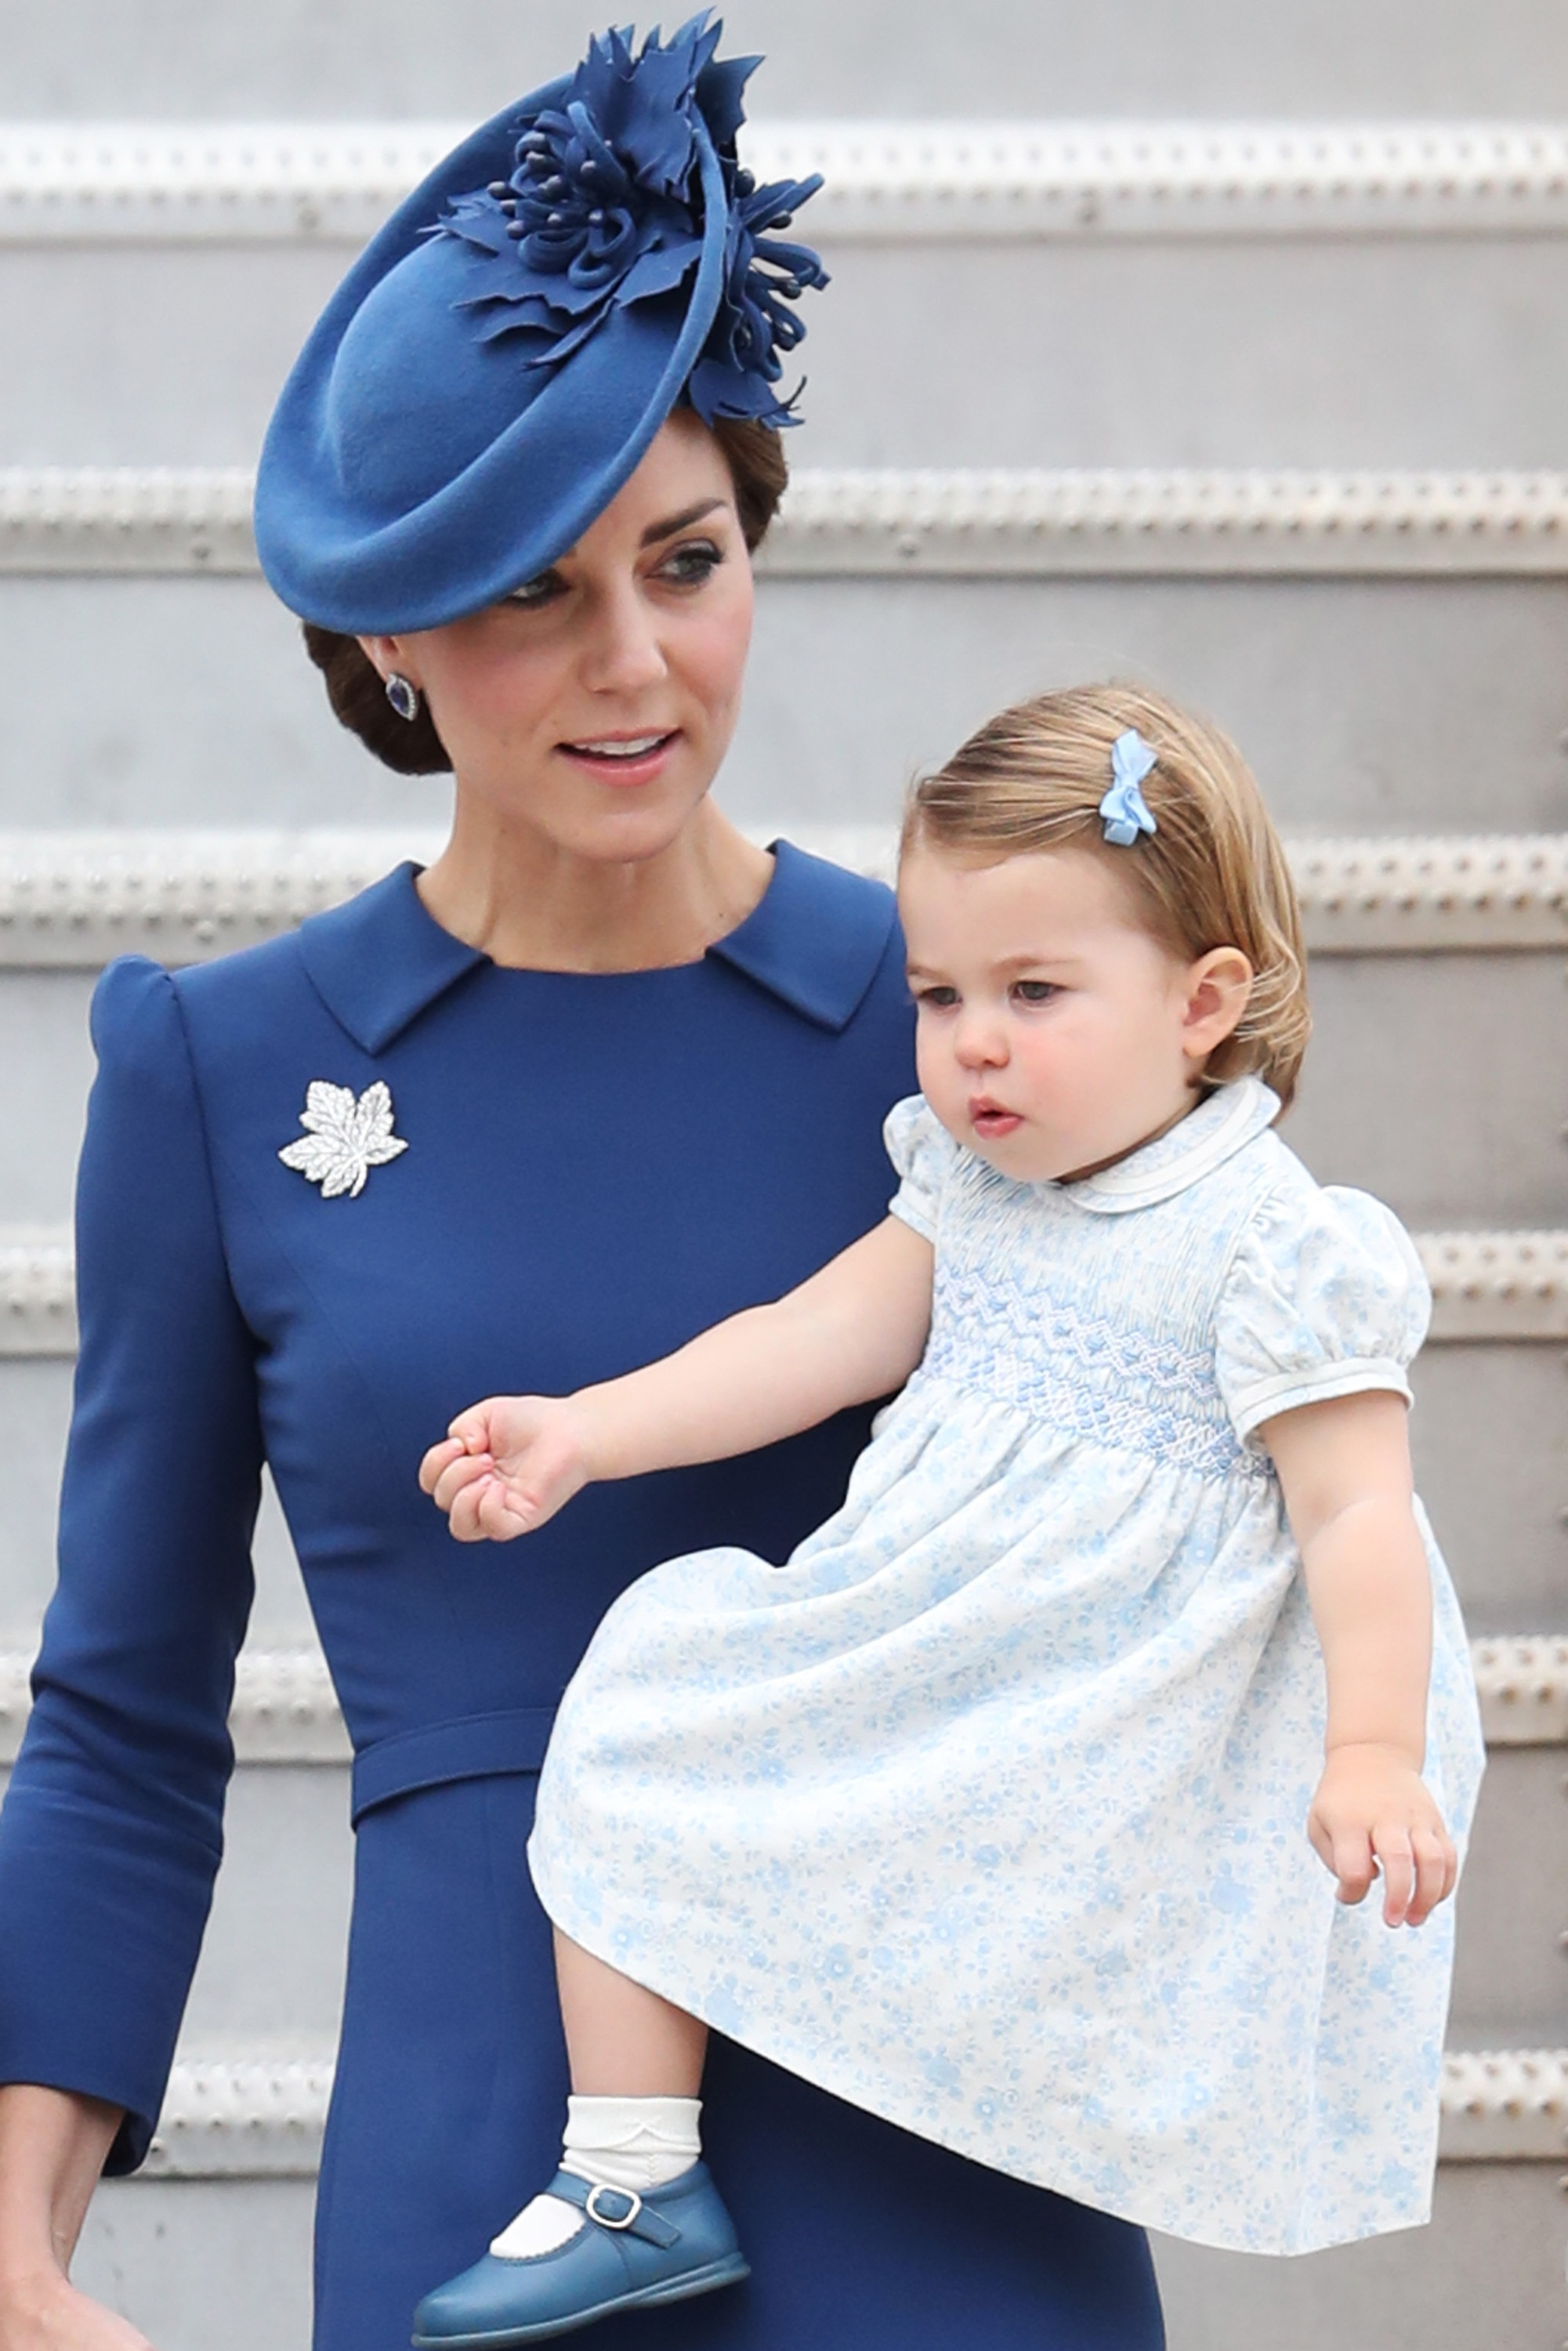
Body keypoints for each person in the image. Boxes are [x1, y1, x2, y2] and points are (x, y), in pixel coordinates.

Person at [0, 20, 1166, 2351]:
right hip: (487, 2170)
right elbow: (124, 1722)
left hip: (952, 2138)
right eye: (536, 593)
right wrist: (15, 2248)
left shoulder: (969, 1032)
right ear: (389, 643)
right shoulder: (220, 1078)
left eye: (687, 560)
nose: (635, 665)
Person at [416, 682, 1487, 2343]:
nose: (971, 1039)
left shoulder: (1269, 1242)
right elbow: (808, 1341)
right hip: (937, 1640)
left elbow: (1353, 1515)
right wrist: (585, 1435)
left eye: (1033, 990)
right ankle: (632, 2172)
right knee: (654, 1679)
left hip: (1115, 1702)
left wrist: (1367, 1751)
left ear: (1203, 1002)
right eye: (937, 992)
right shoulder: (970, 1187)